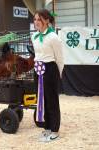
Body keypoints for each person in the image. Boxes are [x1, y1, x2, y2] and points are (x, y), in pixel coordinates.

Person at [31, 9, 64, 142]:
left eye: (39, 19)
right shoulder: (34, 36)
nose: (36, 22)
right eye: (35, 19)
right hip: (38, 69)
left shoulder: (54, 37)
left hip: (50, 69)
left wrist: (59, 74)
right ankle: (47, 128)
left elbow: (60, 58)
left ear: (47, 21)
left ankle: (55, 130)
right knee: (42, 100)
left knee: (52, 101)